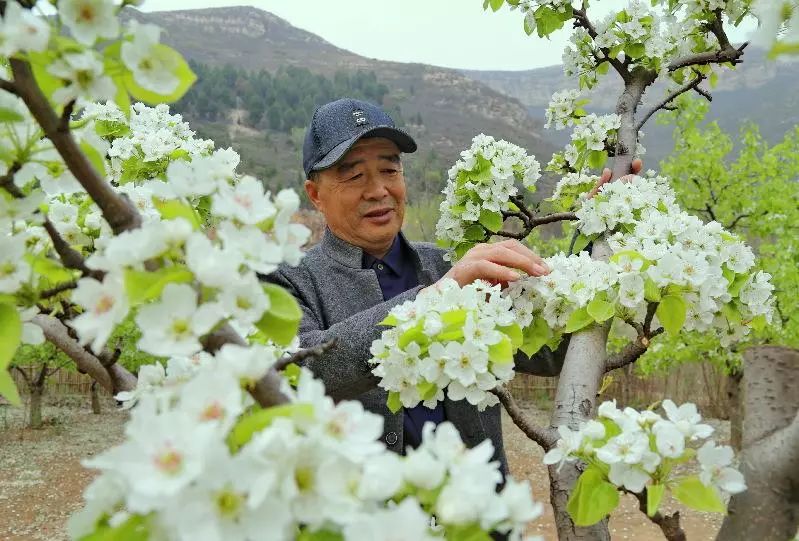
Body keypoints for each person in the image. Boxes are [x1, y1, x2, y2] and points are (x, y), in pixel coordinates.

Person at [266, 97, 640, 475]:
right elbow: (296, 372)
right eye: (354, 175)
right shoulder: (287, 282)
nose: (378, 189)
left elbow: (550, 352)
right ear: (315, 194)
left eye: (389, 169)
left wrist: (598, 233)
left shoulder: (447, 265)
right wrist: (435, 299)